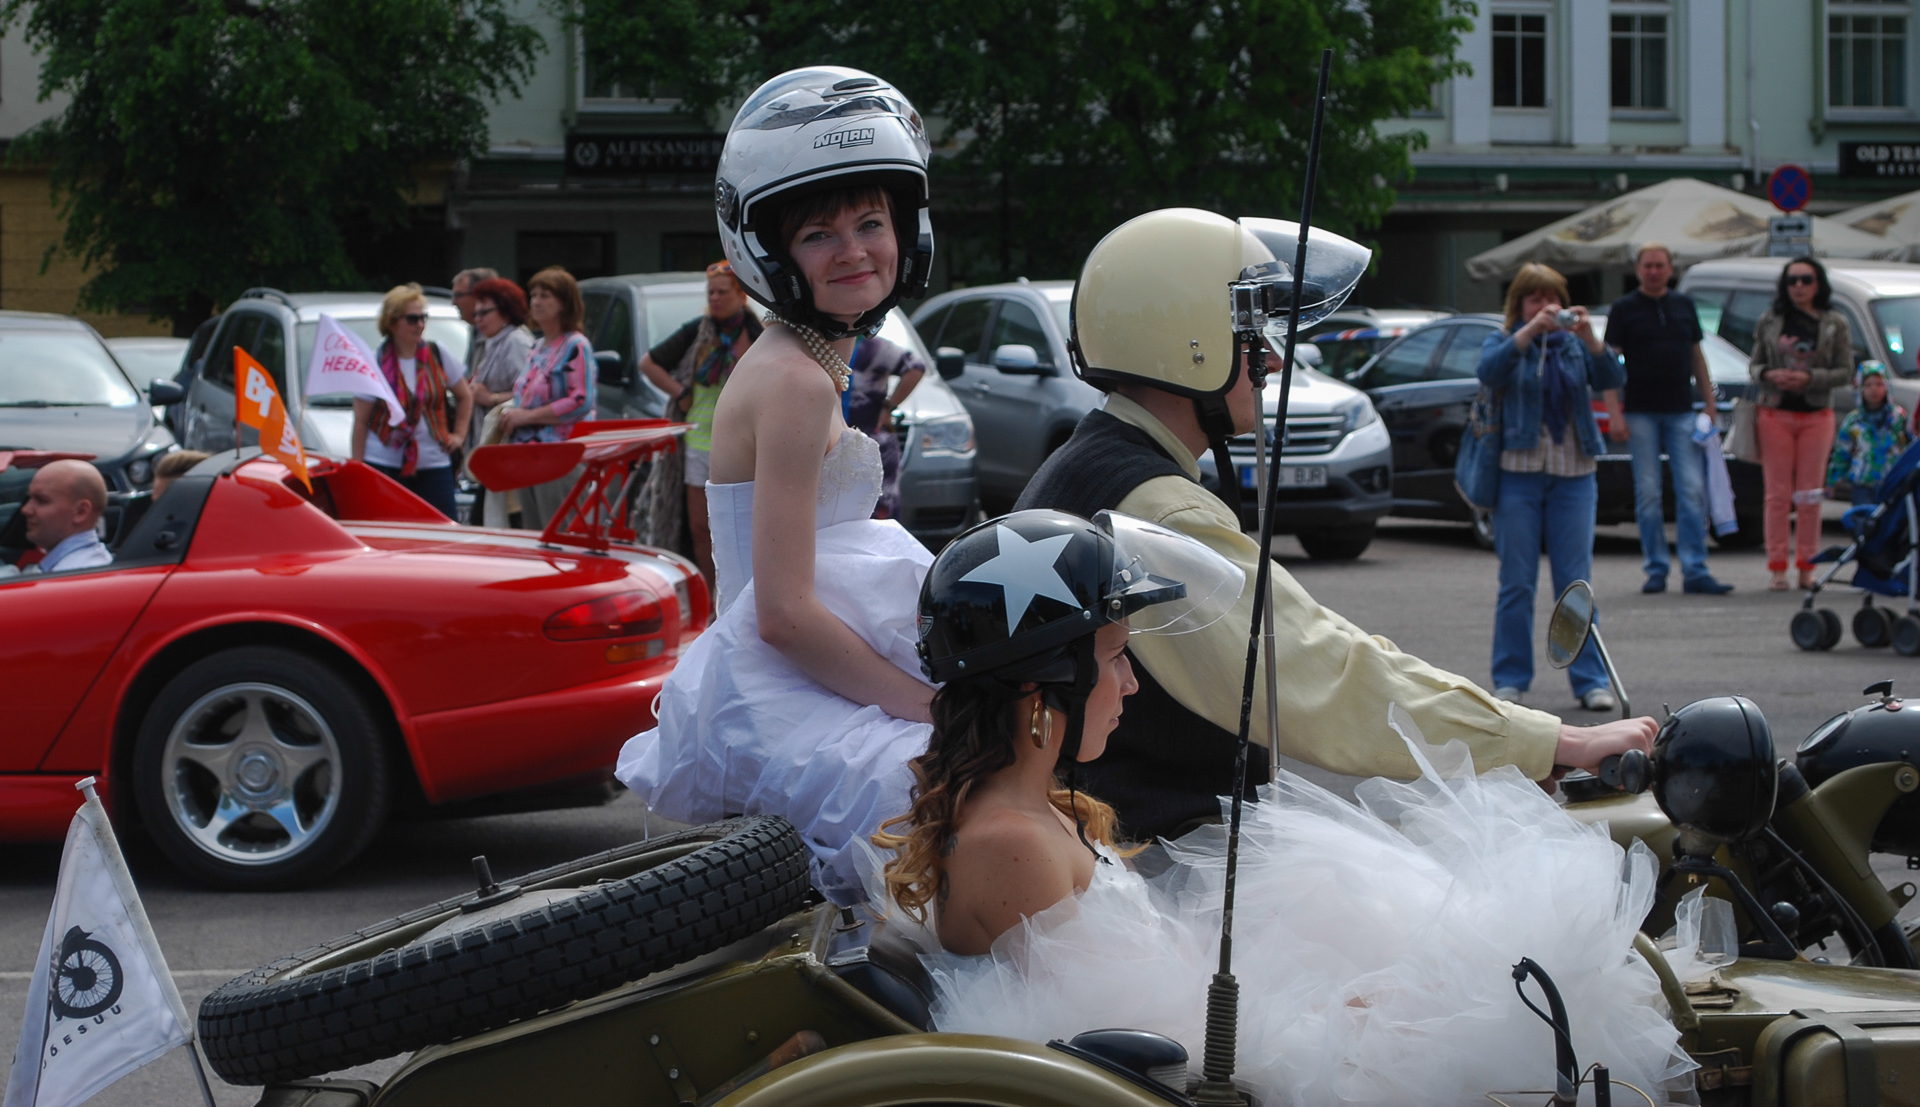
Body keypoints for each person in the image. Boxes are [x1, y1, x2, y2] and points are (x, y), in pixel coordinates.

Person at [873, 508, 1692, 1107]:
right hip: (1176, 1075)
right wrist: (1329, 1016)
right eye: (1115, 657)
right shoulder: (1009, 840)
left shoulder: (1028, 809)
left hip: (1172, 1053)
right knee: (1492, 1012)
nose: (1129, 683)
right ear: (1040, 687)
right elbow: (1137, 1034)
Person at [1017, 210, 1655, 840]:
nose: (1271, 359)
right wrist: (1550, 740)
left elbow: (1317, 646)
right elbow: (1319, 672)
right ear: (1190, 345)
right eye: (1251, 335)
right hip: (1157, 860)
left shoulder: (1090, 465)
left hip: (1104, 841)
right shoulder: (1157, 507)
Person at [617, 65, 939, 904]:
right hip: (784, 690)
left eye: (871, 222)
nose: (854, 250)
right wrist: (931, 708)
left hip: (787, 679)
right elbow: (783, 613)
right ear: (771, 253)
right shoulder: (796, 380)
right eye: (818, 234)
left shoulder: (802, 360)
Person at [1479, 264, 1624, 710]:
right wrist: (1527, 334)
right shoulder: (1505, 341)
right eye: (1534, 299)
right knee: (1517, 582)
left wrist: (1591, 339)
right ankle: (1511, 679)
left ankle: (1590, 680)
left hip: (1574, 475)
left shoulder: (1576, 345)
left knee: (1575, 583)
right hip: (1517, 475)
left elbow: (1613, 378)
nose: (1544, 306)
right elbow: (1489, 372)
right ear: (1519, 304)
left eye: (1550, 298)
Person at [1605, 243, 1732, 596]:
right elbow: (1609, 367)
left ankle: (1695, 568)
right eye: (1648, 265)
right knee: (1648, 492)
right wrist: (1614, 412)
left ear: (1670, 269)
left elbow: (1697, 356)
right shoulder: (1624, 309)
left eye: (1660, 265)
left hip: (1681, 410)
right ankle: (1656, 567)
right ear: (1638, 269)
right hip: (1640, 412)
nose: (1654, 271)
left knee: (1692, 489)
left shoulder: (1683, 305)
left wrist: (1709, 403)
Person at [639, 262, 765, 590]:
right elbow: (649, 363)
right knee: (700, 526)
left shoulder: (758, 334)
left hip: (742, 441)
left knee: (742, 525)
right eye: (710, 293)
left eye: (722, 292)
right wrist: (680, 392)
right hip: (699, 440)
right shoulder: (698, 332)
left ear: (741, 296)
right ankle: (711, 595)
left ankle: (743, 591)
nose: (714, 299)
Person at [1751, 256, 1853, 591]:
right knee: (1777, 495)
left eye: (1806, 280)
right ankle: (1777, 567)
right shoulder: (1770, 320)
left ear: (1818, 284)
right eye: (1792, 280)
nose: (1798, 286)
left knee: (1810, 494)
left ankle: (1807, 566)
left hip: (1816, 414)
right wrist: (1770, 374)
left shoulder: (1834, 322)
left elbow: (1845, 371)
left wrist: (1809, 378)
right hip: (1775, 412)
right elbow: (1754, 366)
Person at [349, 284, 473, 520]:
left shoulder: (438, 353)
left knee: (442, 529)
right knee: (390, 531)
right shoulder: (374, 361)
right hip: (384, 462)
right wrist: (358, 468)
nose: (420, 325)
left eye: (423, 318)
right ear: (392, 323)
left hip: (434, 462)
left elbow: (465, 396)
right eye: (412, 319)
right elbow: (361, 421)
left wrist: (459, 435)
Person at [500, 266, 597, 531]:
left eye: (545, 296)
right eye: (533, 295)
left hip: (559, 457)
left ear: (564, 303)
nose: (536, 302)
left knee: (559, 535)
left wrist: (526, 417)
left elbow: (581, 401)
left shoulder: (576, 345)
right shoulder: (537, 346)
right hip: (528, 455)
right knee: (533, 534)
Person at [463, 277, 536, 526]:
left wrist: (491, 398)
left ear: (505, 310)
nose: (478, 319)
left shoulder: (516, 341)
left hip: (510, 454)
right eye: (475, 313)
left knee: (496, 524)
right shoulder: (494, 342)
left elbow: (530, 394)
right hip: (495, 453)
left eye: (485, 312)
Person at [843, 331, 925, 519]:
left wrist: (889, 407)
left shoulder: (873, 347)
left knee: (880, 511)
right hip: (837, 443)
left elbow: (916, 366)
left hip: (873, 442)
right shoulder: (820, 344)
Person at [1828, 360, 1910, 507]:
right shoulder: (1854, 420)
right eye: (1868, 385)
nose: (1874, 389)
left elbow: (1909, 446)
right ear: (1859, 388)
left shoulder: (1898, 417)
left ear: (1887, 387)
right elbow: (1841, 452)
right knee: (1863, 518)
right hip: (1863, 484)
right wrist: (1833, 481)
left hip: (1893, 482)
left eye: (1879, 384)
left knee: (1891, 519)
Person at [14, 460, 113, 573]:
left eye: (41, 500)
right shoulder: (87, 566)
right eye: (29, 498)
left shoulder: (75, 575)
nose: (26, 509)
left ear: (81, 511)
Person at [451, 267, 499, 367]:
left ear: (479, 295)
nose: (454, 302)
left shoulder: (512, 339)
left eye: (458, 295)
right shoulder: (476, 331)